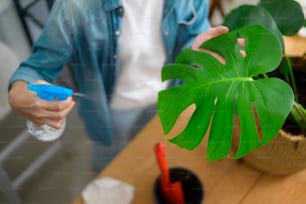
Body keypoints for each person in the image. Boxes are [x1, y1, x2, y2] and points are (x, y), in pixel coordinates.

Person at [8, 0, 229, 172]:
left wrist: (198, 53)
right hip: (111, 116)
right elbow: (37, 68)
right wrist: (18, 94)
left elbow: (192, 39)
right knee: (111, 167)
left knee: (155, 165)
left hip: (168, 100)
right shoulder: (75, 6)